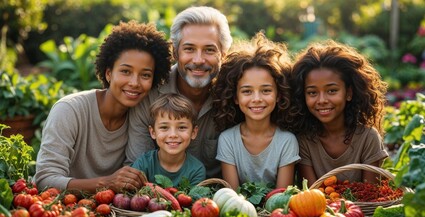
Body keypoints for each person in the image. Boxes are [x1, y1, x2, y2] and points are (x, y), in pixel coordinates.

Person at [34, 21, 172, 193]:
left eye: (145, 75)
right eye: (125, 71)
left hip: (111, 211)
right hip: (60, 209)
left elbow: (135, 177)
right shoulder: (69, 110)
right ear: (108, 73)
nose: (134, 83)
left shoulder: (142, 117)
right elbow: (45, 179)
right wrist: (106, 183)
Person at [126, 6, 233, 179]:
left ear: (223, 54)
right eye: (189, 49)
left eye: (209, 50)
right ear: (175, 53)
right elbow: (136, 170)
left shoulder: (234, 95)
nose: (198, 60)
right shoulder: (150, 94)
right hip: (157, 197)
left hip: (214, 198)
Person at [289, 40, 389, 186]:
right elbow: (311, 195)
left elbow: (370, 195)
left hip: (361, 209)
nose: (322, 100)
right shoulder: (303, 141)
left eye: (332, 91)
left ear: (348, 93)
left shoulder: (368, 138)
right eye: (312, 92)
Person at [212, 32, 300, 190]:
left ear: (279, 94)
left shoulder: (287, 141)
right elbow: (233, 196)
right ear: (235, 97)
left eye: (266, 91)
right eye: (247, 91)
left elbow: (282, 196)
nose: (257, 98)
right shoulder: (227, 140)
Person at [131, 93, 206, 186]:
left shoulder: (196, 170)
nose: (173, 135)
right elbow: (133, 196)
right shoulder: (143, 164)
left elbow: (194, 200)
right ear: (153, 132)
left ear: (193, 132)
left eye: (182, 127)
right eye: (164, 127)